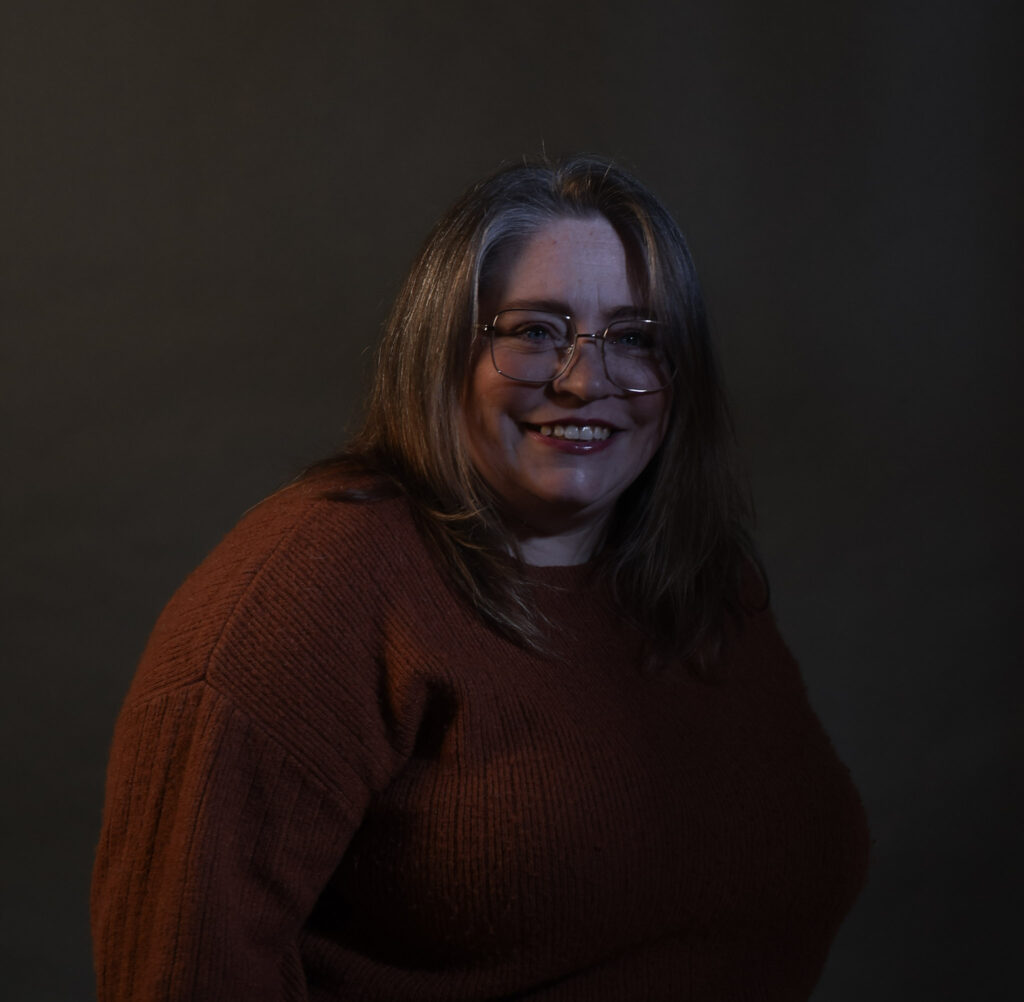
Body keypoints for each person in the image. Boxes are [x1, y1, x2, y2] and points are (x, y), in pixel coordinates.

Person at [91, 155, 870, 1001]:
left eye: (636, 337)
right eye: (535, 331)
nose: (585, 381)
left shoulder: (705, 585)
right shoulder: (309, 591)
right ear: (444, 348)